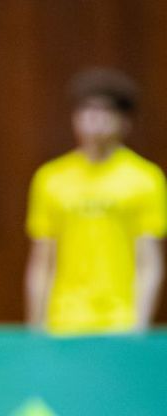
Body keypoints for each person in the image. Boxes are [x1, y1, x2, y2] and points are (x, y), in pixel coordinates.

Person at [25, 68, 167, 336]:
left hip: (119, 322)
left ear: (125, 121)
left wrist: (139, 326)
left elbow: (149, 262)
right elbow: (42, 261)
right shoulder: (51, 178)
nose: (95, 118)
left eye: (106, 111)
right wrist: (36, 326)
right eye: (87, 109)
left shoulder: (146, 179)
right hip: (64, 322)